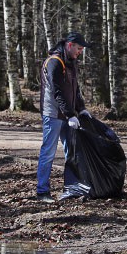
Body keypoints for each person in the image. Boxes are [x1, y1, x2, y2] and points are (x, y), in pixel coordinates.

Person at [36, 32, 92, 203]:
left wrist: (81, 109)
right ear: (69, 45)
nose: (80, 52)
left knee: (72, 151)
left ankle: (71, 187)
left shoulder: (71, 63)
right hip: (53, 115)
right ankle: (42, 191)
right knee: (48, 152)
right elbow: (57, 91)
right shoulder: (54, 62)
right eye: (79, 48)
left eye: (82, 49)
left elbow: (75, 89)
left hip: (68, 116)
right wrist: (70, 115)